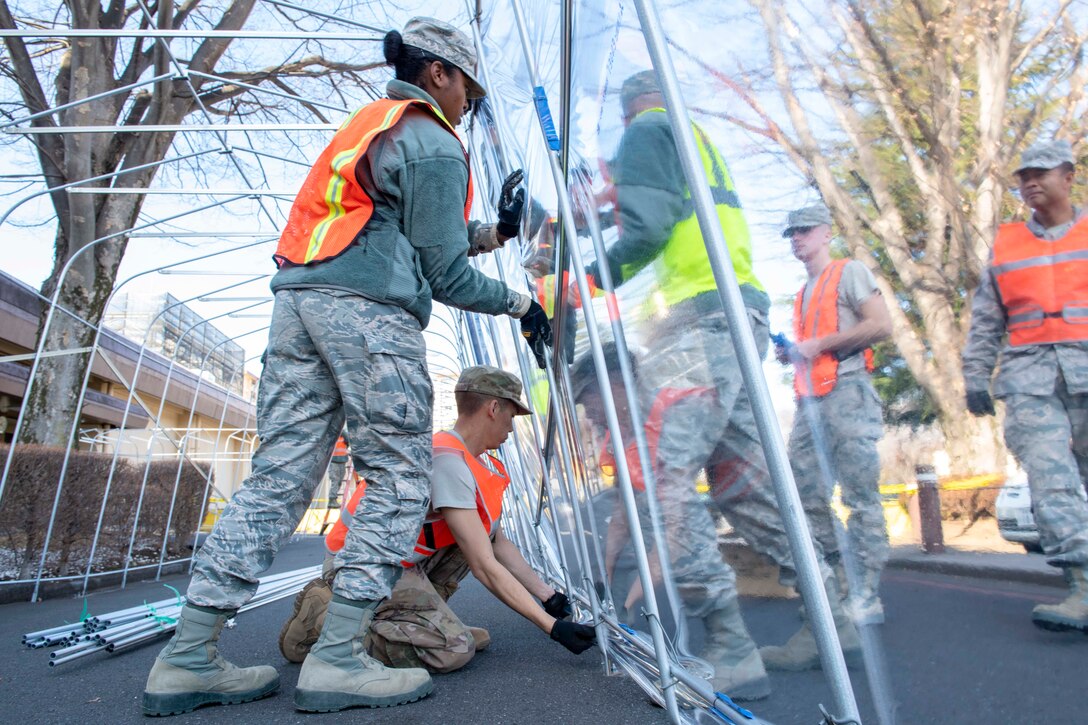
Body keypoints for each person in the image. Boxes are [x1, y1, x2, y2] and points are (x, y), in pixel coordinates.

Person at [142, 17, 553, 717]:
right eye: (469, 91)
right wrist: (523, 306)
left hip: (299, 305)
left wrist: (501, 233)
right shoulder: (432, 138)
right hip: (368, 315)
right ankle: (337, 659)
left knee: (277, 482)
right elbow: (443, 273)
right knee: (397, 477)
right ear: (438, 73)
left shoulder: (372, 123)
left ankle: (185, 658)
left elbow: (399, 231)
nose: (470, 105)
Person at [574, 70, 858, 698]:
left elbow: (645, 230)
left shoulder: (647, 131)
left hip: (696, 326)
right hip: (734, 319)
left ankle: (729, 643)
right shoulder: (692, 135)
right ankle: (833, 620)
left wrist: (585, 281)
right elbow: (656, 212)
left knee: (658, 479)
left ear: (626, 114)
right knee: (747, 485)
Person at [279, 366, 595, 671]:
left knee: (473, 543)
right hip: (358, 564)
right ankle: (323, 620)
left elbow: (497, 541)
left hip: (398, 561)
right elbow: (484, 565)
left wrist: (548, 596)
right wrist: (552, 628)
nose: (511, 430)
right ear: (493, 408)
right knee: (455, 651)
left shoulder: (466, 457)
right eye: (511, 418)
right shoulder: (448, 461)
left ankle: (417, 624)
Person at [962, 139, 1088, 633]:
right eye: (1021, 176)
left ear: (1068, 176)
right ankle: (1082, 589)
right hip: (1030, 378)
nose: (1029, 182)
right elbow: (986, 318)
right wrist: (975, 374)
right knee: (1050, 481)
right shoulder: (1007, 243)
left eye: (1039, 172)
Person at [774, 204, 892, 624]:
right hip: (810, 402)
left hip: (849, 393)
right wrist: (794, 353)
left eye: (804, 230)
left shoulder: (850, 271)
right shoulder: (804, 292)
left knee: (861, 496)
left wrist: (818, 344)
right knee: (802, 496)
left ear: (826, 232)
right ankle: (842, 579)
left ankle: (867, 594)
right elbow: (813, 349)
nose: (797, 239)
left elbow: (880, 324)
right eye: (791, 233)